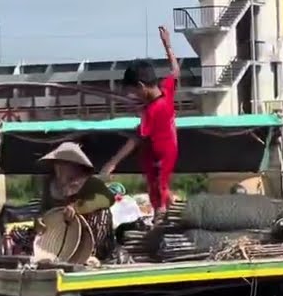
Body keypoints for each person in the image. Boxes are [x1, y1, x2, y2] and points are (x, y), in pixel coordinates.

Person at [113, 26, 181, 221]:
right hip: (167, 152)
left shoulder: (153, 111)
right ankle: (172, 211)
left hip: (158, 160)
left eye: (133, 91)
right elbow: (175, 70)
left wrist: (112, 162)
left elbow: (135, 139)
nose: (132, 96)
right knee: (164, 193)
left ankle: (161, 230)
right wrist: (167, 45)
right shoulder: (165, 91)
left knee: (158, 200)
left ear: (141, 86)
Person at [37, 141, 127, 260]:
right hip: (59, 235)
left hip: (89, 235)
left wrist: (76, 208)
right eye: (57, 163)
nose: (59, 167)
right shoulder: (49, 184)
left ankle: (92, 255)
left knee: (102, 213)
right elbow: (44, 209)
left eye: (65, 163)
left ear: (76, 165)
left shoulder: (90, 183)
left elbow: (108, 199)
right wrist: (40, 220)